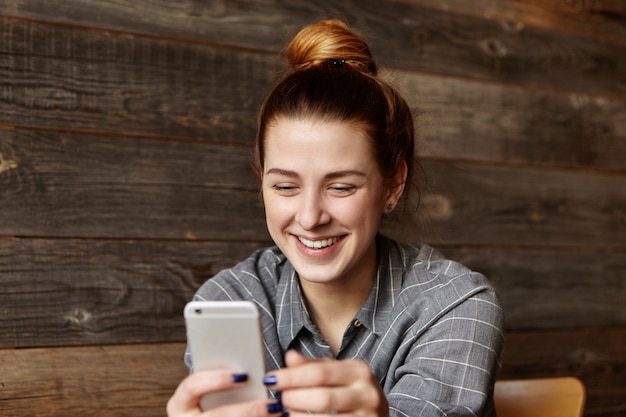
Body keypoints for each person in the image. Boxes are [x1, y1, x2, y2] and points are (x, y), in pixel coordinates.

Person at [167, 18, 504, 417]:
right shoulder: (230, 301)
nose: (309, 218)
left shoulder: (455, 305)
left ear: (393, 184)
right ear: (262, 181)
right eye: (285, 187)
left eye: (341, 187)